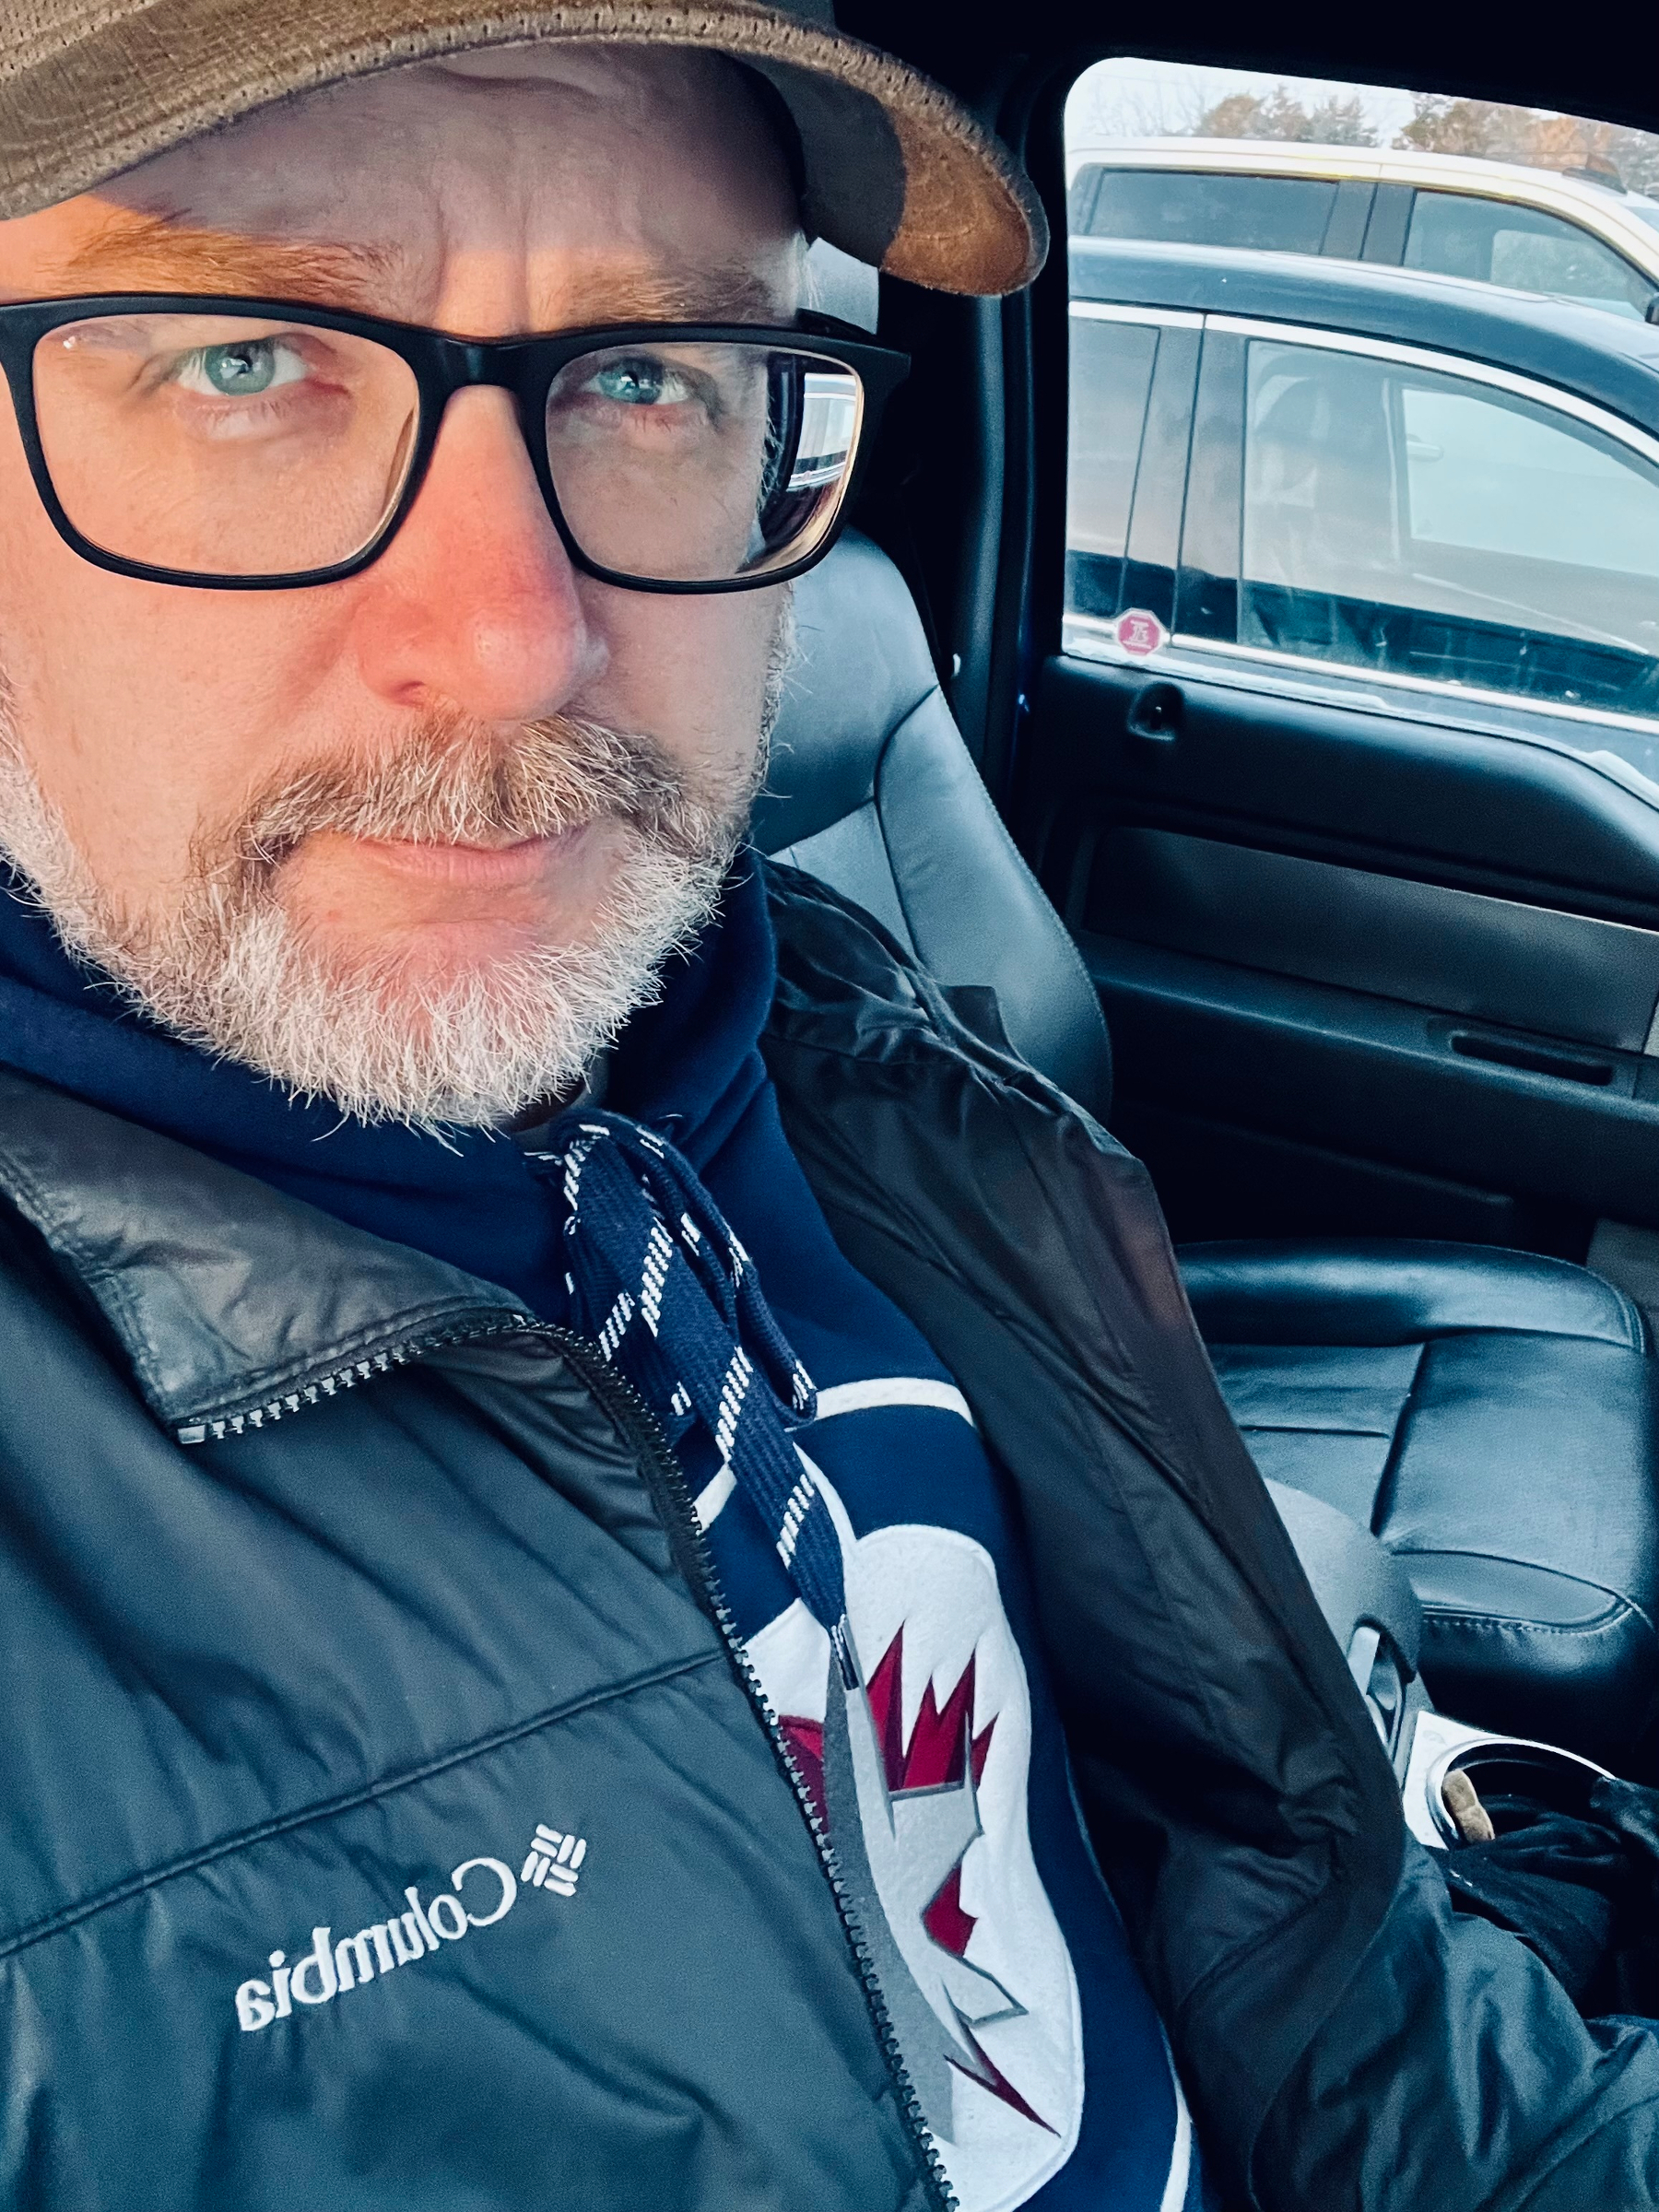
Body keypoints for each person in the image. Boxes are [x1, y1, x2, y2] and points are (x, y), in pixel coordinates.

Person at [0, 6, 1653, 2208]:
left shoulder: (857, 1088)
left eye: (649, 375)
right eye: (241, 364)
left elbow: (1350, 2008)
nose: (515, 640)